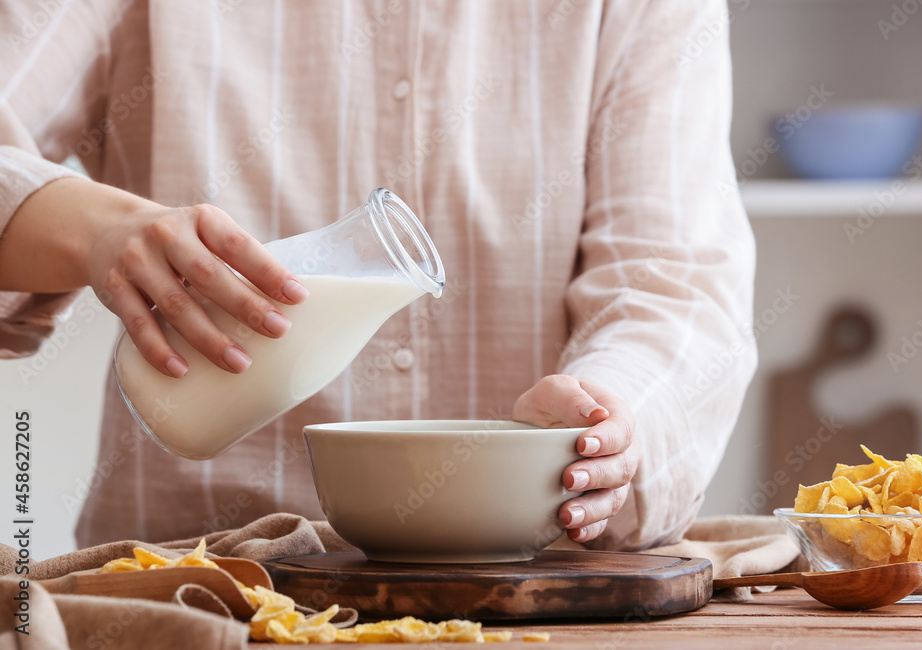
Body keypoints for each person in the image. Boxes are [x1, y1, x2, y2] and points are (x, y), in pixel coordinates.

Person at [0, 0, 756, 551]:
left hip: (536, 595)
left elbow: (671, 284)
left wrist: (611, 418)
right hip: (199, 585)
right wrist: (91, 224)